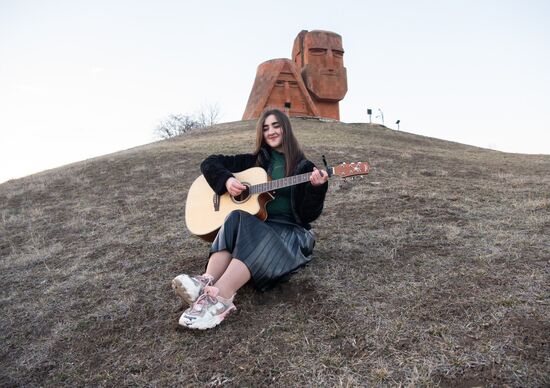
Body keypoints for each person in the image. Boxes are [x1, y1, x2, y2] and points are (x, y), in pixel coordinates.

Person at [172, 108, 329, 330]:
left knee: (254, 230)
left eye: (276, 126)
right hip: (258, 225)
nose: (271, 131)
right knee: (236, 215)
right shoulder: (254, 161)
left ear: (286, 129)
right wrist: (226, 181)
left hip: (289, 233)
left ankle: (221, 298)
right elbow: (210, 163)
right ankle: (205, 281)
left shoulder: (304, 168)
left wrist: (316, 190)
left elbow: (308, 216)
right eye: (266, 128)